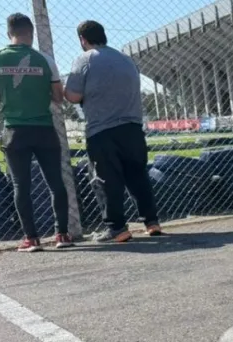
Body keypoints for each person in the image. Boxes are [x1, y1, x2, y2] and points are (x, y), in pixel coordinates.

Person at [64, 20, 161, 243]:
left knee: (106, 180)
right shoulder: (126, 60)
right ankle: (151, 222)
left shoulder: (84, 59)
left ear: (82, 39)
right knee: (138, 176)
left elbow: (73, 96)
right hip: (133, 128)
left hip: (102, 129)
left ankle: (117, 228)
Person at [0, 13, 73, 252]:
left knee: (21, 186)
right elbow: (57, 97)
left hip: (14, 130)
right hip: (44, 128)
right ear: (31, 33)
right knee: (56, 182)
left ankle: (31, 239)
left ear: (8, 32)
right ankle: (62, 234)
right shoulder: (45, 59)